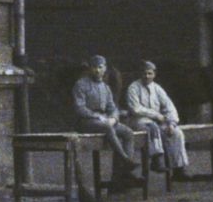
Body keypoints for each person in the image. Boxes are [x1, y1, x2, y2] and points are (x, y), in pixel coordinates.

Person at [72, 54, 140, 189]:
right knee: (107, 127)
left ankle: (124, 172)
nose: (97, 70)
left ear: (105, 69)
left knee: (128, 132)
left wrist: (114, 118)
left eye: (100, 67)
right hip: (86, 122)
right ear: (89, 69)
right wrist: (98, 117)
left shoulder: (105, 87)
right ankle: (125, 160)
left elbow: (112, 107)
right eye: (94, 67)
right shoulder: (81, 84)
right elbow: (80, 108)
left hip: (104, 121)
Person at [124, 60, 190, 177]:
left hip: (157, 121)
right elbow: (135, 109)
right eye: (144, 73)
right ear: (140, 74)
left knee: (176, 133)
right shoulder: (133, 87)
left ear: (154, 74)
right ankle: (157, 160)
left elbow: (169, 106)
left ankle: (179, 168)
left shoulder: (157, 88)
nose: (147, 76)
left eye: (150, 73)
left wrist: (171, 122)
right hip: (138, 121)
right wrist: (156, 115)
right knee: (152, 127)